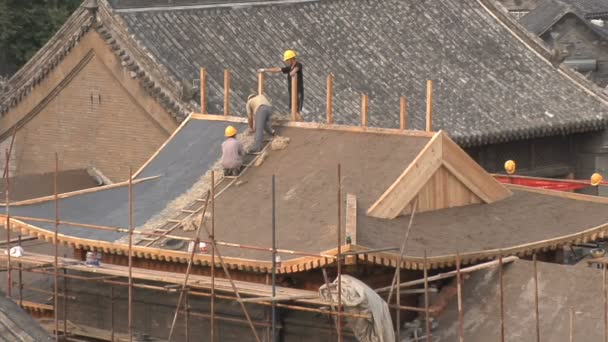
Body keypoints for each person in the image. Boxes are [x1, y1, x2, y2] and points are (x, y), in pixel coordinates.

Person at [258, 50, 304, 120]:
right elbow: (278, 69)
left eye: (287, 60)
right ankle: (296, 122)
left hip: (298, 91)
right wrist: (265, 70)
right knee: (293, 109)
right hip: (292, 91)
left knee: (297, 111)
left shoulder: (298, 65)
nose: (286, 62)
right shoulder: (289, 67)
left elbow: (296, 69)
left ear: (291, 59)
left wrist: (293, 72)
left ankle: (300, 123)